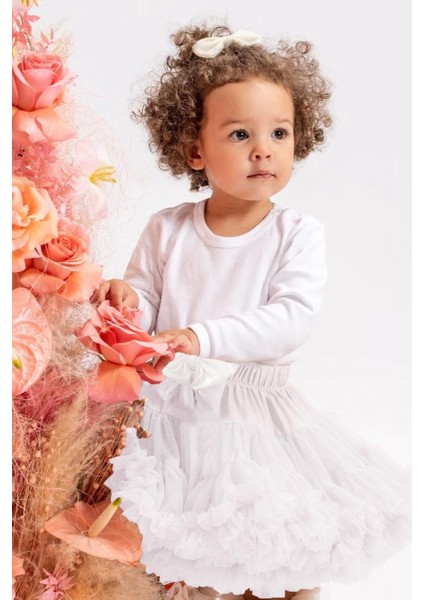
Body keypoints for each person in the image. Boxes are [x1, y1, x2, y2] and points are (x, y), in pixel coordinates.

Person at [98, 25, 411, 600]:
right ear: (195, 150)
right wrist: (127, 301)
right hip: (171, 411)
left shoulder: (296, 234)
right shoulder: (167, 228)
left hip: (252, 413)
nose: (263, 148)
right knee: (178, 536)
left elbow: (290, 319)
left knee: (268, 531)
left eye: (279, 133)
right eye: (240, 133)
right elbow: (145, 307)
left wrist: (200, 337)